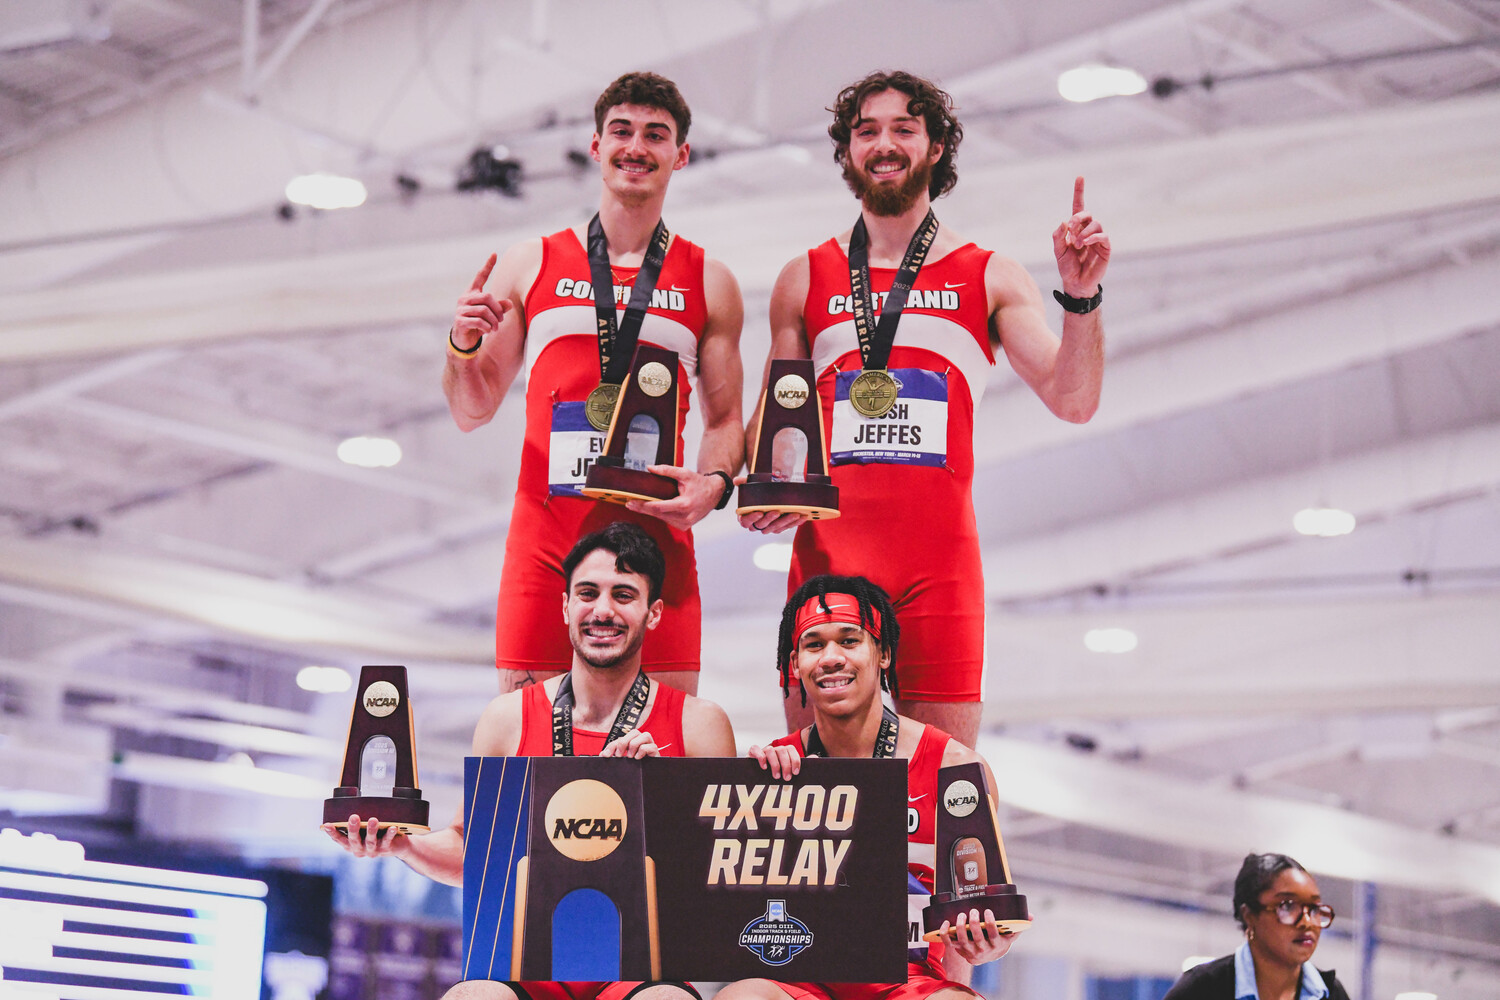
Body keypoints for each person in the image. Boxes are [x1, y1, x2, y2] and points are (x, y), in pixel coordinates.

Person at [739, 70, 1109, 747]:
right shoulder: (805, 277)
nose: (884, 144)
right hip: (827, 564)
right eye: (867, 131)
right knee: (828, 801)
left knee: (943, 797)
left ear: (936, 146)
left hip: (939, 574)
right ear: (847, 151)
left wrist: (1081, 298)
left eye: (904, 129)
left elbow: (1074, 398)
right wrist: (748, 481)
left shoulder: (988, 273)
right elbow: (772, 425)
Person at [324, 521, 737, 1000]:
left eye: (623, 595)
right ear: (565, 606)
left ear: (654, 612)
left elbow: (718, 884)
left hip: (640, 971)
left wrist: (661, 797)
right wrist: (401, 845)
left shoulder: (698, 724)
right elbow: (472, 855)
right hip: (529, 965)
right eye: (588, 593)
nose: (603, 610)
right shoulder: (507, 719)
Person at [447, 71, 746, 697]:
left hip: (657, 550)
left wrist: (713, 486)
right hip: (546, 548)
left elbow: (723, 421)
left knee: (660, 772)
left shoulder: (709, 280)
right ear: (595, 145)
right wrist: (463, 346)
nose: (636, 146)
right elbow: (471, 409)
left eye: (655, 135)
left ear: (680, 155)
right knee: (523, 762)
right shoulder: (531, 261)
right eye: (622, 131)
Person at [719, 575, 1015, 1000]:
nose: (831, 658)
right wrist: (752, 803)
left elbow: (991, 920)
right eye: (814, 644)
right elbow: (724, 916)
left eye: (850, 640)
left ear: (884, 654)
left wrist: (991, 942)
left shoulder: (956, 768)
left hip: (907, 979)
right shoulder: (772, 767)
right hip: (798, 978)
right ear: (795, 664)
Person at [1162, 853, 1349, 1000]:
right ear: (1249, 915)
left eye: (1314, 908)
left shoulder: (1330, 994)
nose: (1307, 922)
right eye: (1287, 906)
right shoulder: (1203, 989)